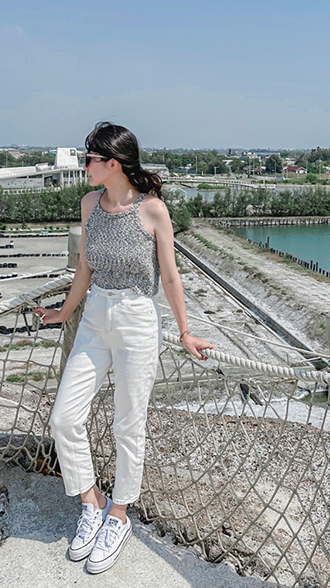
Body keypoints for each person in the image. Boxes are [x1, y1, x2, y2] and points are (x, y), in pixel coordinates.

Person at [34, 122, 213, 574]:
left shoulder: (153, 211)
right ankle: (92, 502)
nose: (83, 164)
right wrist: (64, 311)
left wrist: (185, 331)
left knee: (128, 425)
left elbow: (170, 276)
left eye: (88, 157)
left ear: (111, 164)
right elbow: (84, 268)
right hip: (95, 317)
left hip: (137, 320)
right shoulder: (90, 203)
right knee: (64, 418)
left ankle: (119, 515)